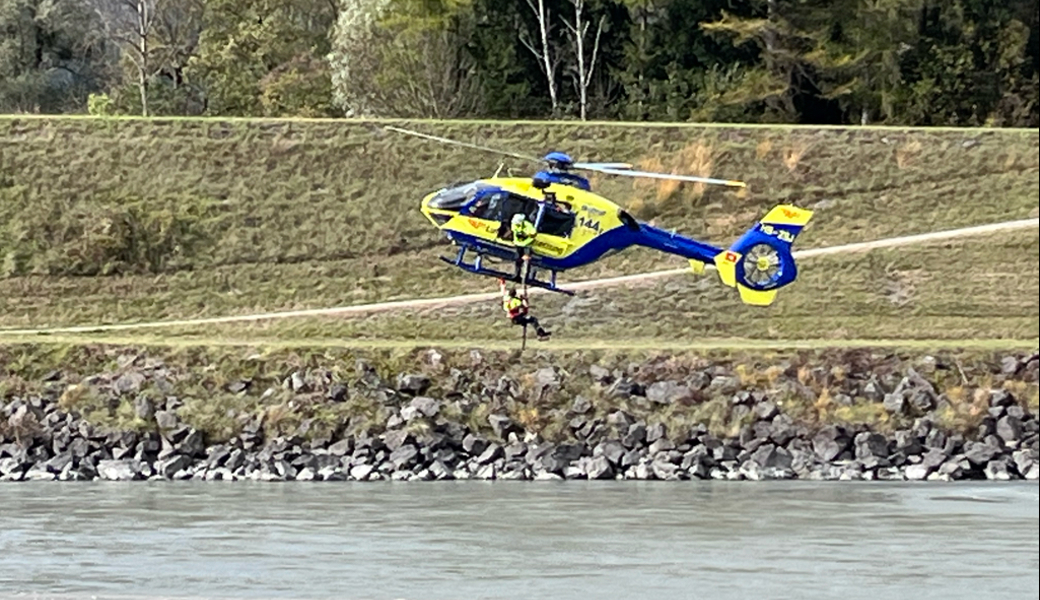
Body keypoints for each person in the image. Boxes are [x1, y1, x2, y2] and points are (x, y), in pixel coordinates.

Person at [510, 212, 537, 278]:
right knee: (518, 259)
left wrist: (526, 234)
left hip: (527, 244)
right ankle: (517, 274)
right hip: (518, 244)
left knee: (527, 260)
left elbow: (534, 233)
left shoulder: (528, 225)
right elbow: (515, 231)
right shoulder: (513, 224)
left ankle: (527, 276)